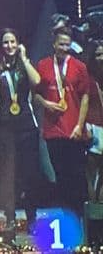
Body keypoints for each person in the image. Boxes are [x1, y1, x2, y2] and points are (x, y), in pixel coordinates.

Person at [34, 28, 90, 216]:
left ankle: (80, 215)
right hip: (53, 130)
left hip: (74, 130)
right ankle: (67, 215)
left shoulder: (79, 67)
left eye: (67, 45)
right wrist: (46, 103)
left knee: (76, 175)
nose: (64, 48)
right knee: (60, 174)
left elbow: (85, 97)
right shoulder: (43, 65)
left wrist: (79, 125)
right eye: (61, 44)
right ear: (54, 44)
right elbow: (35, 94)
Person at [0, 29, 40, 232]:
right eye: (5, 42)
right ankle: (10, 217)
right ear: (0, 46)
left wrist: (25, 57)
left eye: (12, 41)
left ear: (18, 43)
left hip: (27, 126)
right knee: (8, 175)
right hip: (6, 126)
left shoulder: (24, 64)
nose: (9, 46)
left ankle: (31, 218)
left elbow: (37, 81)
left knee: (29, 174)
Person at [85, 43, 103, 202]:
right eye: (98, 54)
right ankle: (91, 209)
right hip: (93, 127)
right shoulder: (88, 79)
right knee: (92, 171)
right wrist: (86, 127)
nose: (101, 58)